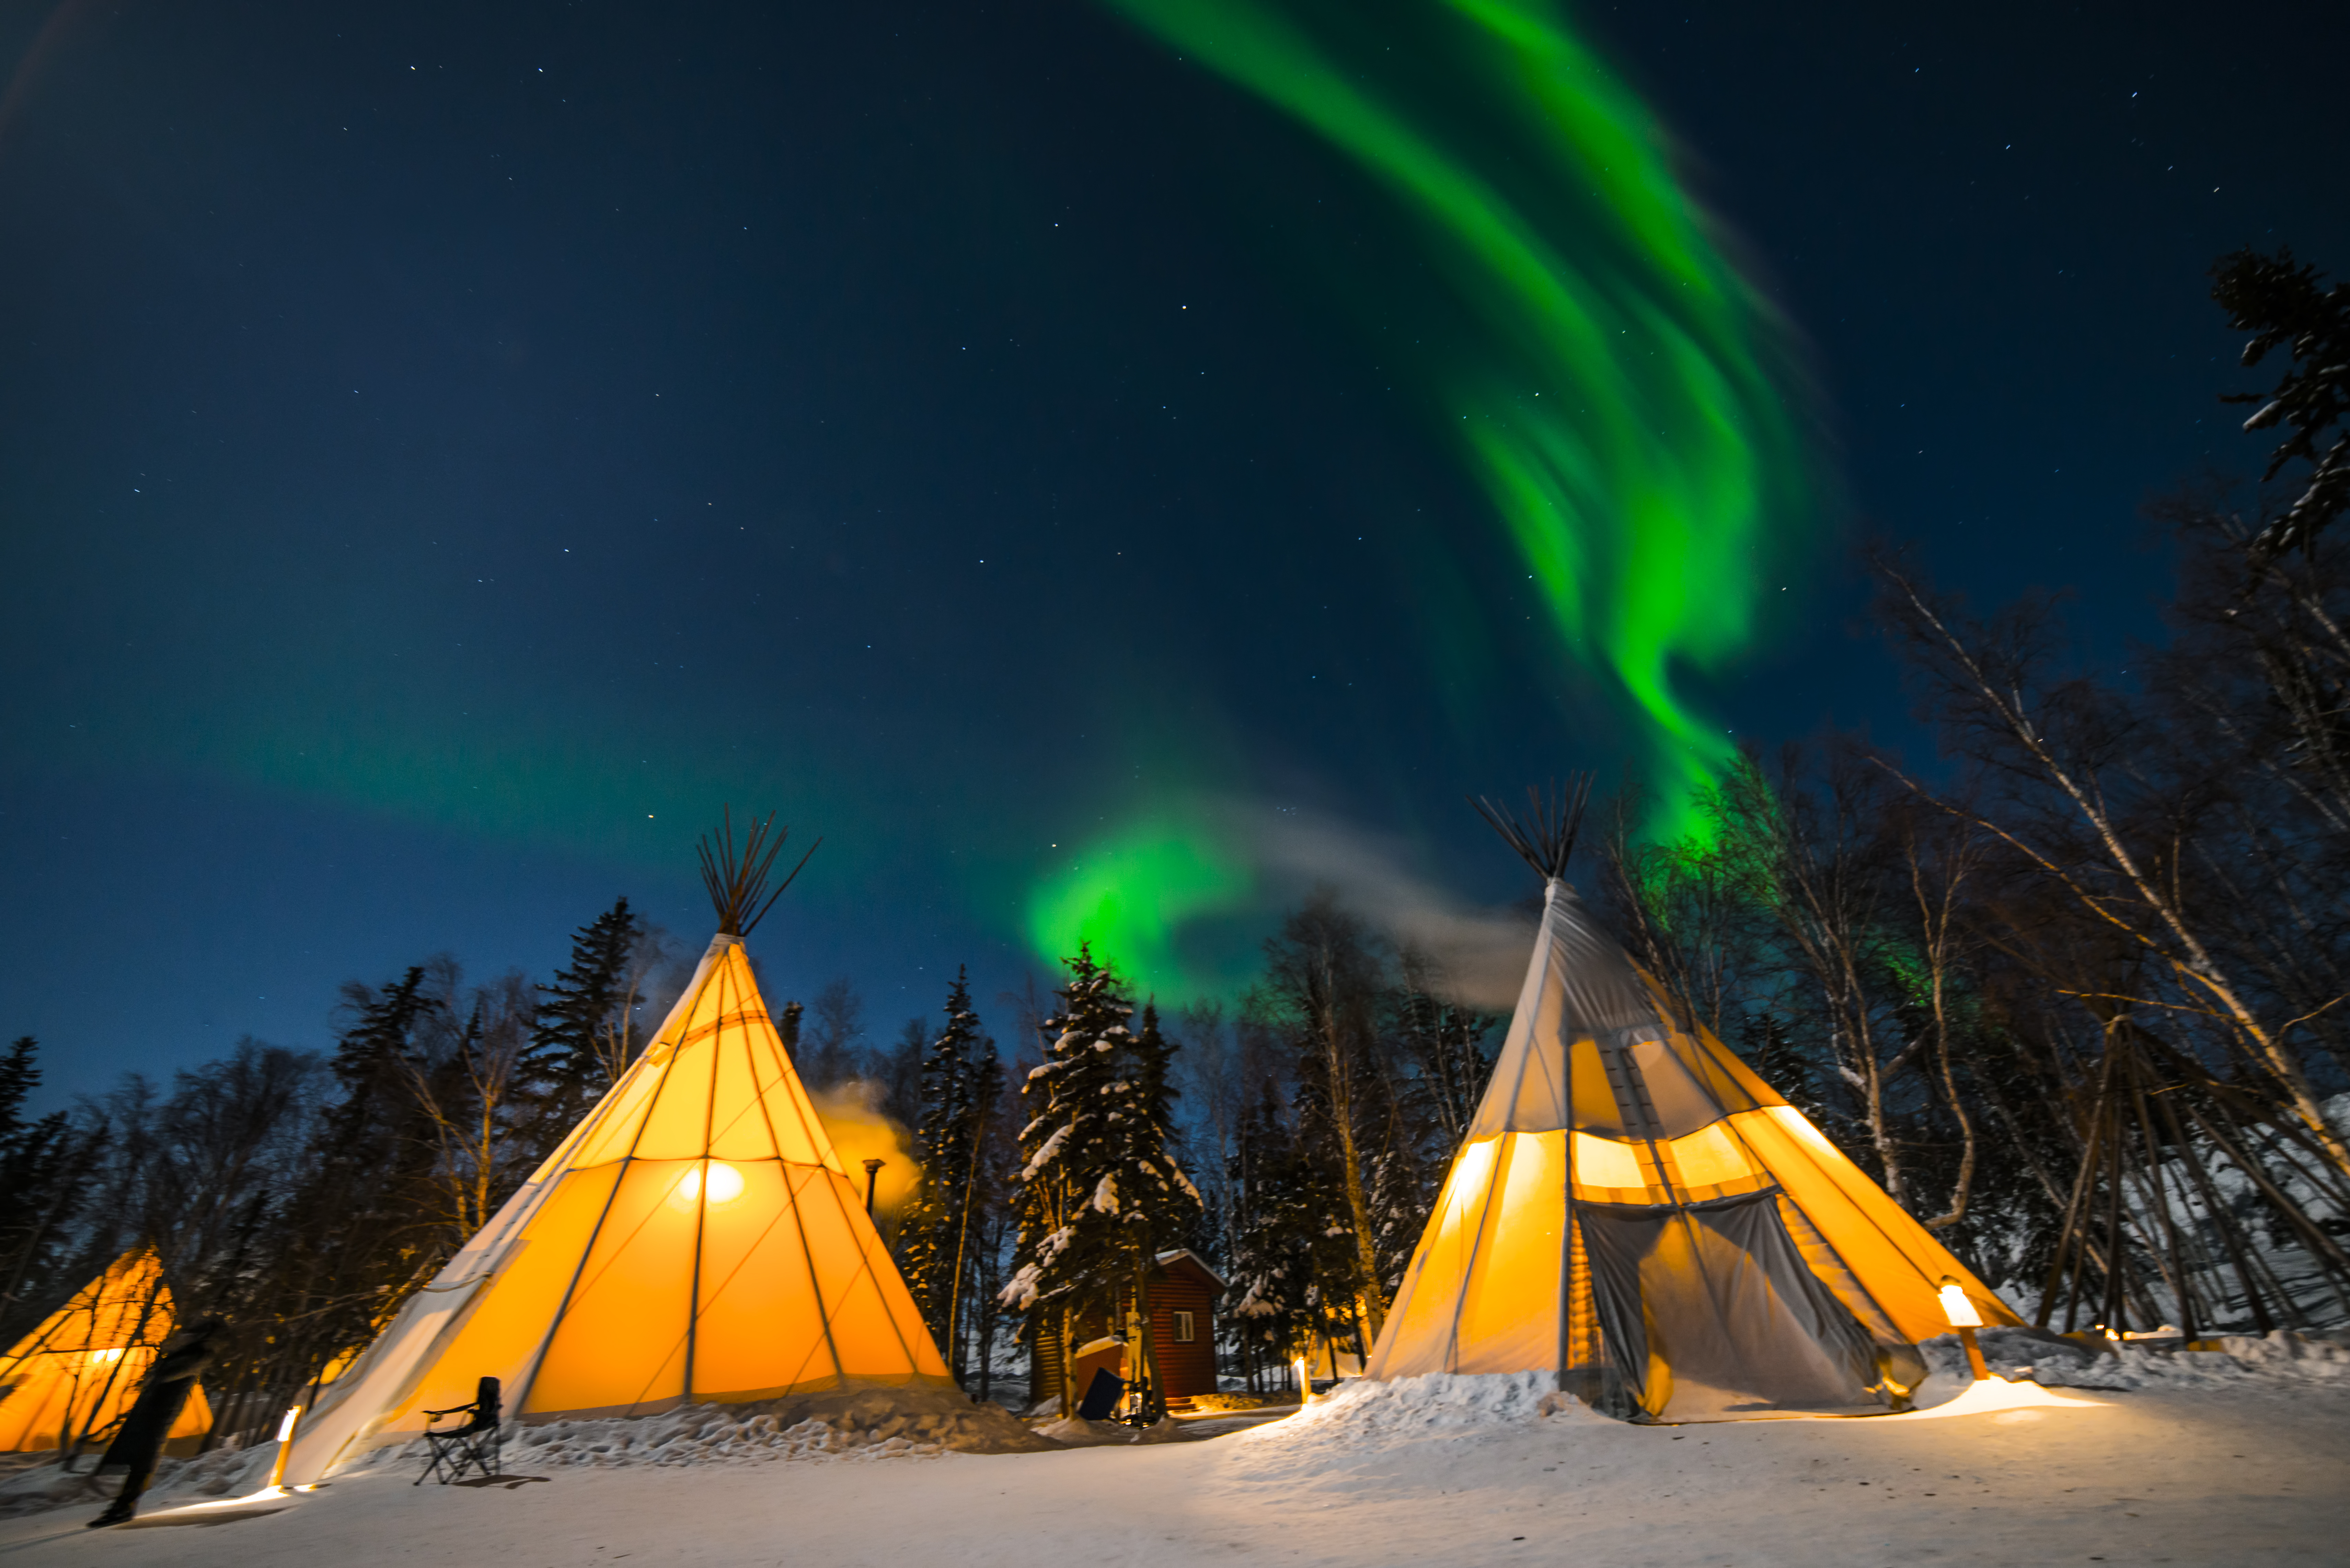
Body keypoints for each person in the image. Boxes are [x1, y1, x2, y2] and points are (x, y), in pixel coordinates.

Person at [86, 1317, 221, 1528]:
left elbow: (167, 1374)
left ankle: (125, 1506)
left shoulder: (200, 1354)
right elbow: (159, 1373)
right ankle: (122, 1505)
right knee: (136, 1456)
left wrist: (167, 1357)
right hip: (148, 1409)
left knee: (144, 1459)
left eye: (192, 1333)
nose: (185, 1336)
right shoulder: (185, 1353)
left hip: (162, 1413)